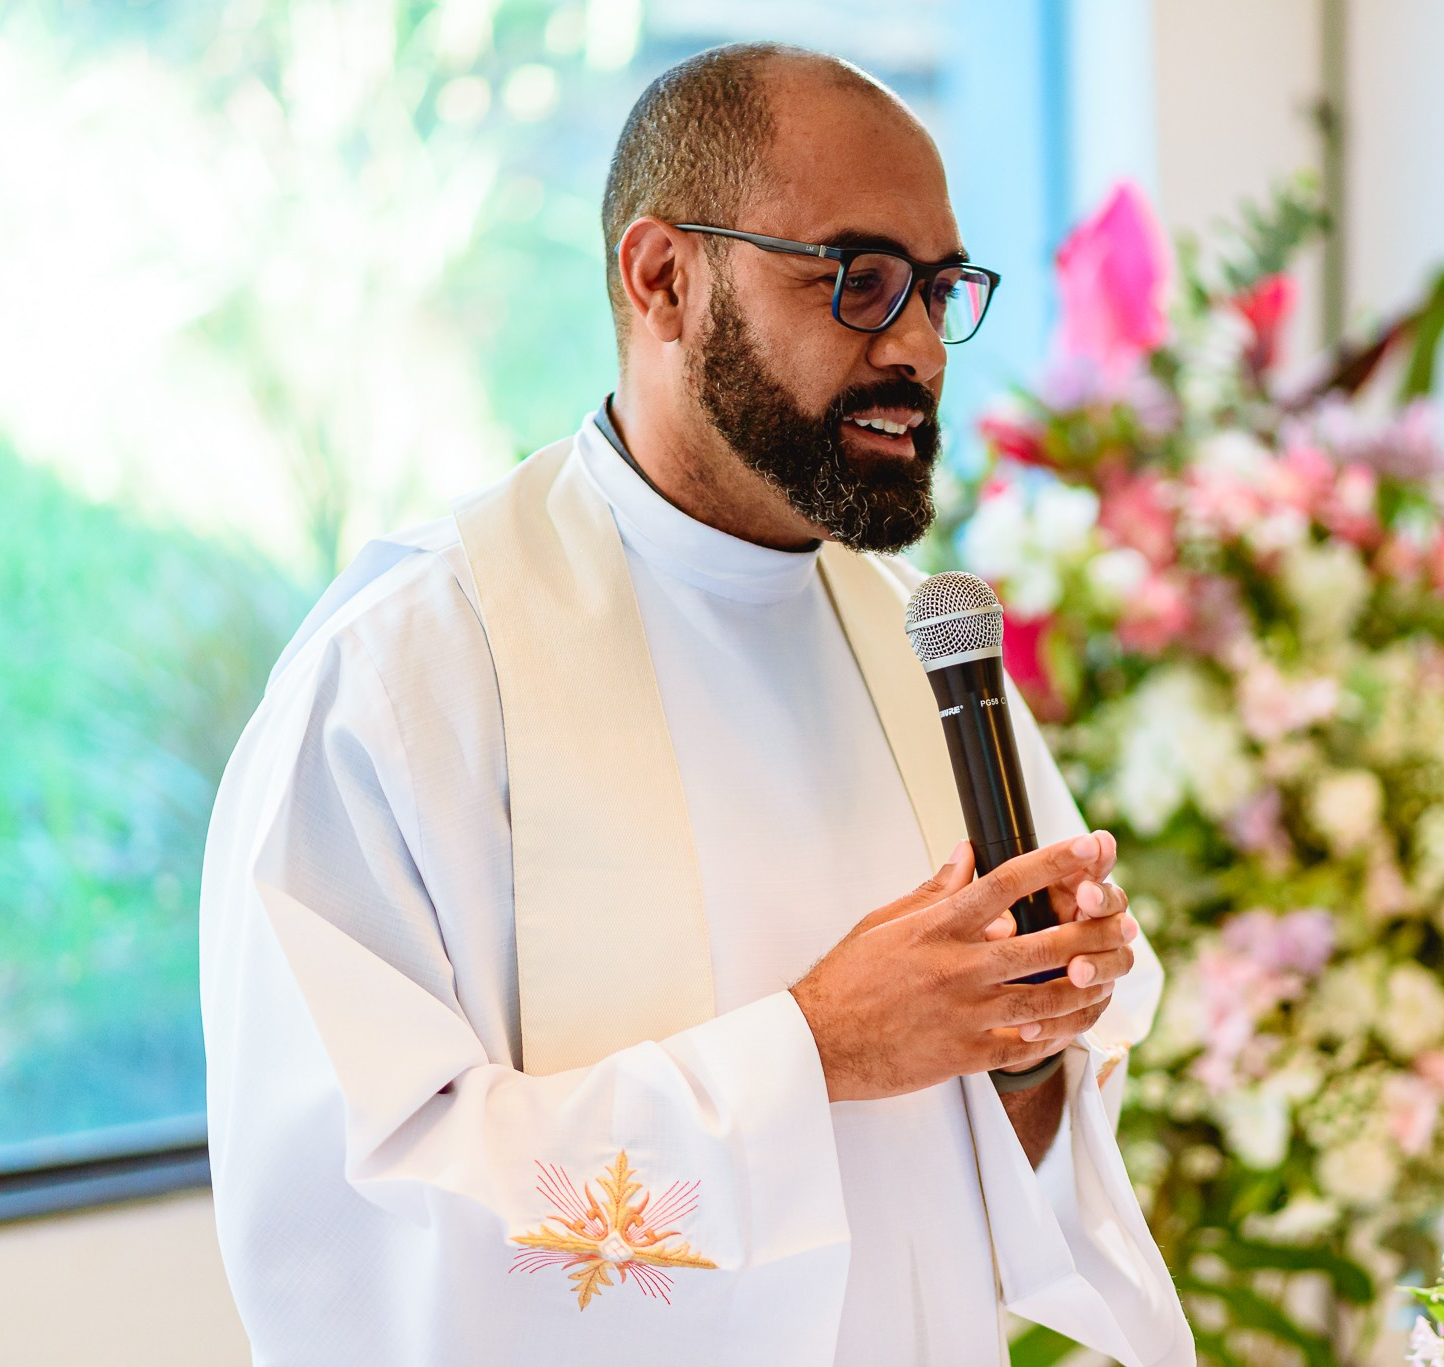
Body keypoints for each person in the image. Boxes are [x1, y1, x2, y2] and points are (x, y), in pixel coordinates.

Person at [199, 40, 1192, 1367]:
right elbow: (364, 1208)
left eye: (940, 289)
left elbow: (1026, 1167)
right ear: (664, 278)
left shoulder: (919, 643)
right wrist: (818, 1048)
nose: (915, 346)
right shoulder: (413, 670)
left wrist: (1025, 1029)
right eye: (856, 280)